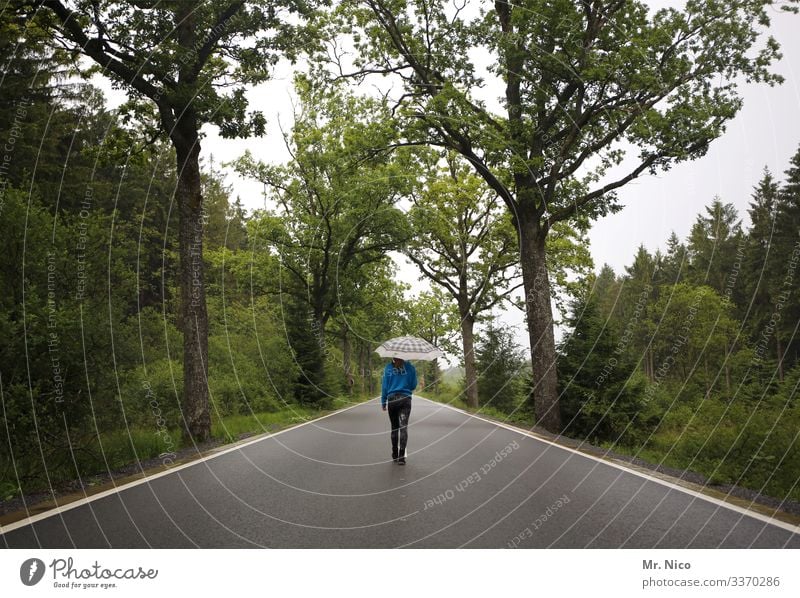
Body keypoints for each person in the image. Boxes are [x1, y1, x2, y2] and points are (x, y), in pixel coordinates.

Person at [381, 357, 417, 465]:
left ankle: (394, 454)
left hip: (392, 400)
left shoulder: (388, 368)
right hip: (405, 399)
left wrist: (383, 401)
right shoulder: (410, 367)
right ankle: (402, 457)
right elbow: (413, 385)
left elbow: (384, 387)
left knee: (394, 428)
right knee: (403, 427)